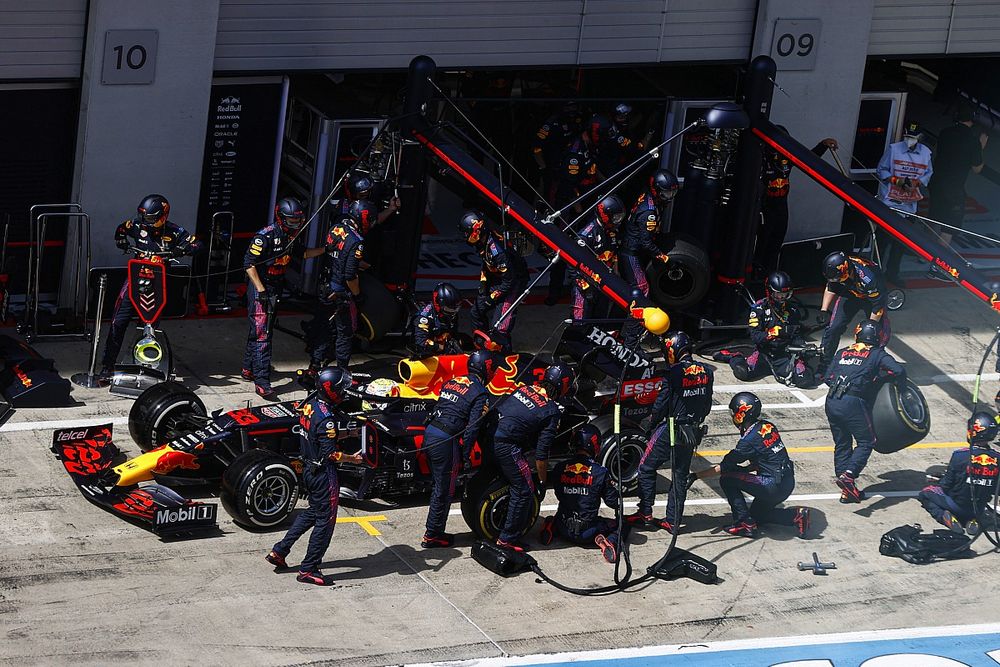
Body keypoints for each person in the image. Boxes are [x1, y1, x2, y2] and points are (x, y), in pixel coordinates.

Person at [265, 367, 361, 586]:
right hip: (323, 474)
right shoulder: (327, 420)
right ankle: (309, 568)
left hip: (308, 469)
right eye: (342, 389)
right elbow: (331, 454)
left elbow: (316, 435)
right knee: (325, 522)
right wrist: (352, 459)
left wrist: (347, 433)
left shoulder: (310, 404)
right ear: (332, 390)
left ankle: (279, 550)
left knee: (312, 513)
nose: (345, 392)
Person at [100, 194, 202, 378]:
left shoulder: (175, 231)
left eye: (150, 218)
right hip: (134, 279)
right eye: (144, 217)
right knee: (118, 321)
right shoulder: (137, 225)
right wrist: (121, 242)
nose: (145, 221)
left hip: (157, 284)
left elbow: (197, 245)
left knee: (149, 325)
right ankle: (108, 365)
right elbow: (121, 230)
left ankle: (144, 367)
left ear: (163, 216)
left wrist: (182, 250)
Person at [626, 330, 713, 533]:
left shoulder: (673, 373)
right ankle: (673, 521)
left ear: (673, 349)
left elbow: (661, 405)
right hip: (692, 431)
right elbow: (706, 406)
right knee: (680, 475)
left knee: (646, 467)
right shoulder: (707, 371)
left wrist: (650, 424)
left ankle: (645, 513)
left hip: (672, 428)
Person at [690, 392, 810, 538]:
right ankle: (796, 516)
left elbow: (723, 467)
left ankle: (743, 524)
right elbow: (764, 459)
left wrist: (695, 476)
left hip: (771, 486)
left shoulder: (747, 441)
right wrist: (746, 469)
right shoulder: (768, 426)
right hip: (787, 482)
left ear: (742, 414)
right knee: (757, 517)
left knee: (727, 479)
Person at [243, 197, 325, 398]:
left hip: (276, 287)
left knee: (259, 330)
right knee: (264, 334)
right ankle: (262, 382)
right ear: (281, 218)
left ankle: (249, 368)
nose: (295, 224)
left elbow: (304, 254)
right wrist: (261, 291)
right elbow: (248, 264)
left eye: (298, 220)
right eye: (291, 221)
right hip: (260, 290)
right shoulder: (265, 237)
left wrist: (328, 249)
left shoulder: (292, 236)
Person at [492, 363, 573, 552]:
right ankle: (507, 540)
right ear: (563, 385)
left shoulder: (524, 388)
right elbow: (541, 455)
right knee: (525, 490)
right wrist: (543, 481)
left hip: (490, 435)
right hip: (506, 445)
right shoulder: (551, 411)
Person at [421, 350, 497, 547]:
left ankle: (434, 530)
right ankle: (433, 534)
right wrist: (466, 456)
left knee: (439, 485)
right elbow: (472, 428)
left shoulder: (452, 382)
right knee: (444, 488)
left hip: (429, 433)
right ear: (486, 368)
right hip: (446, 440)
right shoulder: (480, 393)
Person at [823, 320, 906, 502]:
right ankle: (849, 475)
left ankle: (847, 491)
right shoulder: (877, 354)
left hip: (831, 401)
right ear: (877, 336)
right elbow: (898, 370)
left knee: (842, 443)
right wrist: (879, 382)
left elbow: (827, 378)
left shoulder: (842, 352)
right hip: (852, 403)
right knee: (867, 441)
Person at [305, 199, 374, 374]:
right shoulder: (357, 241)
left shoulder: (337, 227)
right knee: (346, 332)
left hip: (325, 285)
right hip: (340, 294)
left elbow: (335, 253)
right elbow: (350, 276)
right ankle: (342, 371)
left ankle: (314, 365)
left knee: (323, 328)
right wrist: (358, 296)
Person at [754, 132, 837, 276]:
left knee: (777, 240)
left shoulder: (787, 156)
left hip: (781, 206)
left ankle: (770, 274)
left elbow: (807, 160)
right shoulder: (761, 157)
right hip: (764, 207)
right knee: (762, 242)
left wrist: (822, 145)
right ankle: (756, 273)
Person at [539, 423, 622, 563]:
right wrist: (615, 488)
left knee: (555, 516)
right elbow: (613, 503)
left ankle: (552, 526)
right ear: (594, 445)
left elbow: (559, 495)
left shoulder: (559, 468)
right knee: (622, 524)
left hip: (564, 527)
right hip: (587, 533)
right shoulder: (600, 472)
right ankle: (609, 541)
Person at [620, 169, 677, 347]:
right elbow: (646, 242)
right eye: (667, 192)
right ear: (656, 190)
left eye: (672, 192)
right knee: (641, 291)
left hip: (633, 250)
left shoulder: (648, 198)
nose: (670, 196)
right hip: (631, 253)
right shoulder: (649, 212)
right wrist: (662, 257)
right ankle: (631, 340)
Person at [918, 411, 999, 536]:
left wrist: (938, 481)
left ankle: (944, 516)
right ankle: (974, 520)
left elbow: (946, 485)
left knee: (925, 493)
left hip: (957, 504)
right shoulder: (997, 458)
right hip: (978, 508)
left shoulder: (960, 455)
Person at [545, 124, 601, 305]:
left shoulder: (589, 147)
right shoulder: (574, 154)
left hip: (586, 205)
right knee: (562, 250)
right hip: (570, 211)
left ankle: (580, 286)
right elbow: (569, 187)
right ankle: (554, 292)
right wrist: (580, 212)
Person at [727, 271, 810, 387]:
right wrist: (774, 333)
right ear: (770, 292)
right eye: (778, 294)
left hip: (784, 355)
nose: (781, 298)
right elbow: (755, 337)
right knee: (742, 373)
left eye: (785, 294)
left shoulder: (793, 311)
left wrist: (803, 347)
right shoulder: (758, 309)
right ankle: (735, 356)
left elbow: (796, 335)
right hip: (763, 353)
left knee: (805, 380)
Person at [459, 211, 528, 350]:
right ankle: (482, 346)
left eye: (467, 233)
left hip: (514, 282)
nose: (465, 236)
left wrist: (490, 298)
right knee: (476, 312)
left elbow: (509, 282)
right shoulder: (482, 241)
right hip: (499, 279)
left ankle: (505, 354)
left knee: (500, 326)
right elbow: (486, 264)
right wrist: (483, 287)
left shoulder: (498, 251)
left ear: (477, 231)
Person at [875, 122, 933, 284]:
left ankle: (892, 274)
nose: (909, 140)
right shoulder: (894, 149)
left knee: (901, 243)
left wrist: (916, 183)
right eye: (907, 136)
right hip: (889, 203)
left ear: (920, 138)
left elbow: (928, 173)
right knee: (881, 242)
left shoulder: (926, 153)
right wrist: (898, 181)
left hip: (909, 206)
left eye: (913, 138)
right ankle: (874, 274)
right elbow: (881, 170)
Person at [817, 251, 890, 375]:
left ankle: (873, 365)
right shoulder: (837, 272)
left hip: (872, 300)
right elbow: (831, 287)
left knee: (877, 334)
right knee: (833, 328)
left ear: (845, 271)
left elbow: (878, 307)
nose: (836, 281)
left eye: (837, 279)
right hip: (850, 294)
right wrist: (824, 310)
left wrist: (871, 327)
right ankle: (825, 365)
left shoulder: (868, 279)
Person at [929, 106, 988, 248]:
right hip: (954, 189)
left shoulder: (945, 133)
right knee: (949, 227)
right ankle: (937, 262)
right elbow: (977, 168)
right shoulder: (973, 140)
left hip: (935, 183)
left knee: (934, 220)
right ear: (972, 120)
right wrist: (980, 147)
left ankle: (922, 253)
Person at [571, 194, 625, 322]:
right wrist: (585, 287)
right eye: (616, 217)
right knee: (580, 320)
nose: (618, 220)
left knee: (600, 318)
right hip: (585, 286)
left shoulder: (612, 231)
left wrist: (616, 273)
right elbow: (573, 264)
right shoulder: (586, 235)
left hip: (604, 284)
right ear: (605, 215)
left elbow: (614, 253)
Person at [531, 101, 584, 202]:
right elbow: (536, 147)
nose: (571, 110)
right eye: (568, 107)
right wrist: (543, 166)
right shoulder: (551, 124)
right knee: (550, 195)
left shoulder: (577, 120)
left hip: (570, 165)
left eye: (573, 107)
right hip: (552, 166)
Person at [412, 282, 462, 359]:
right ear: (438, 304)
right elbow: (421, 344)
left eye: (455, 308)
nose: (453, 311)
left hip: (441, 342)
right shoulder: (424, 318)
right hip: (426, 351)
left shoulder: (452, 314)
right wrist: (443, 348)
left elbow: (454, 333)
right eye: (449, 308)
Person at [335, 171, 401, 224]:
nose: (366, 196)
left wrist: (391, 208)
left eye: (368, 192)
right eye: (362, 195)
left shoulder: (370, 197)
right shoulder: (344, 212)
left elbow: (375, 219)